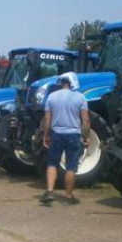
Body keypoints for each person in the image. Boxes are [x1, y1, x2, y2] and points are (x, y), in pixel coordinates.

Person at [40, 72, 90, 205]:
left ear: (61, 82)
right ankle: (68, 197)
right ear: (73, 82)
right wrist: (86, 136)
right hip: (73, 134)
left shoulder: (51, 97)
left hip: (56, 133)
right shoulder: (81, 98)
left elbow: (47, 119)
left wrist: (45, 135)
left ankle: (50, 191)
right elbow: (85, 120)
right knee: (71, 166)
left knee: (52, 163)